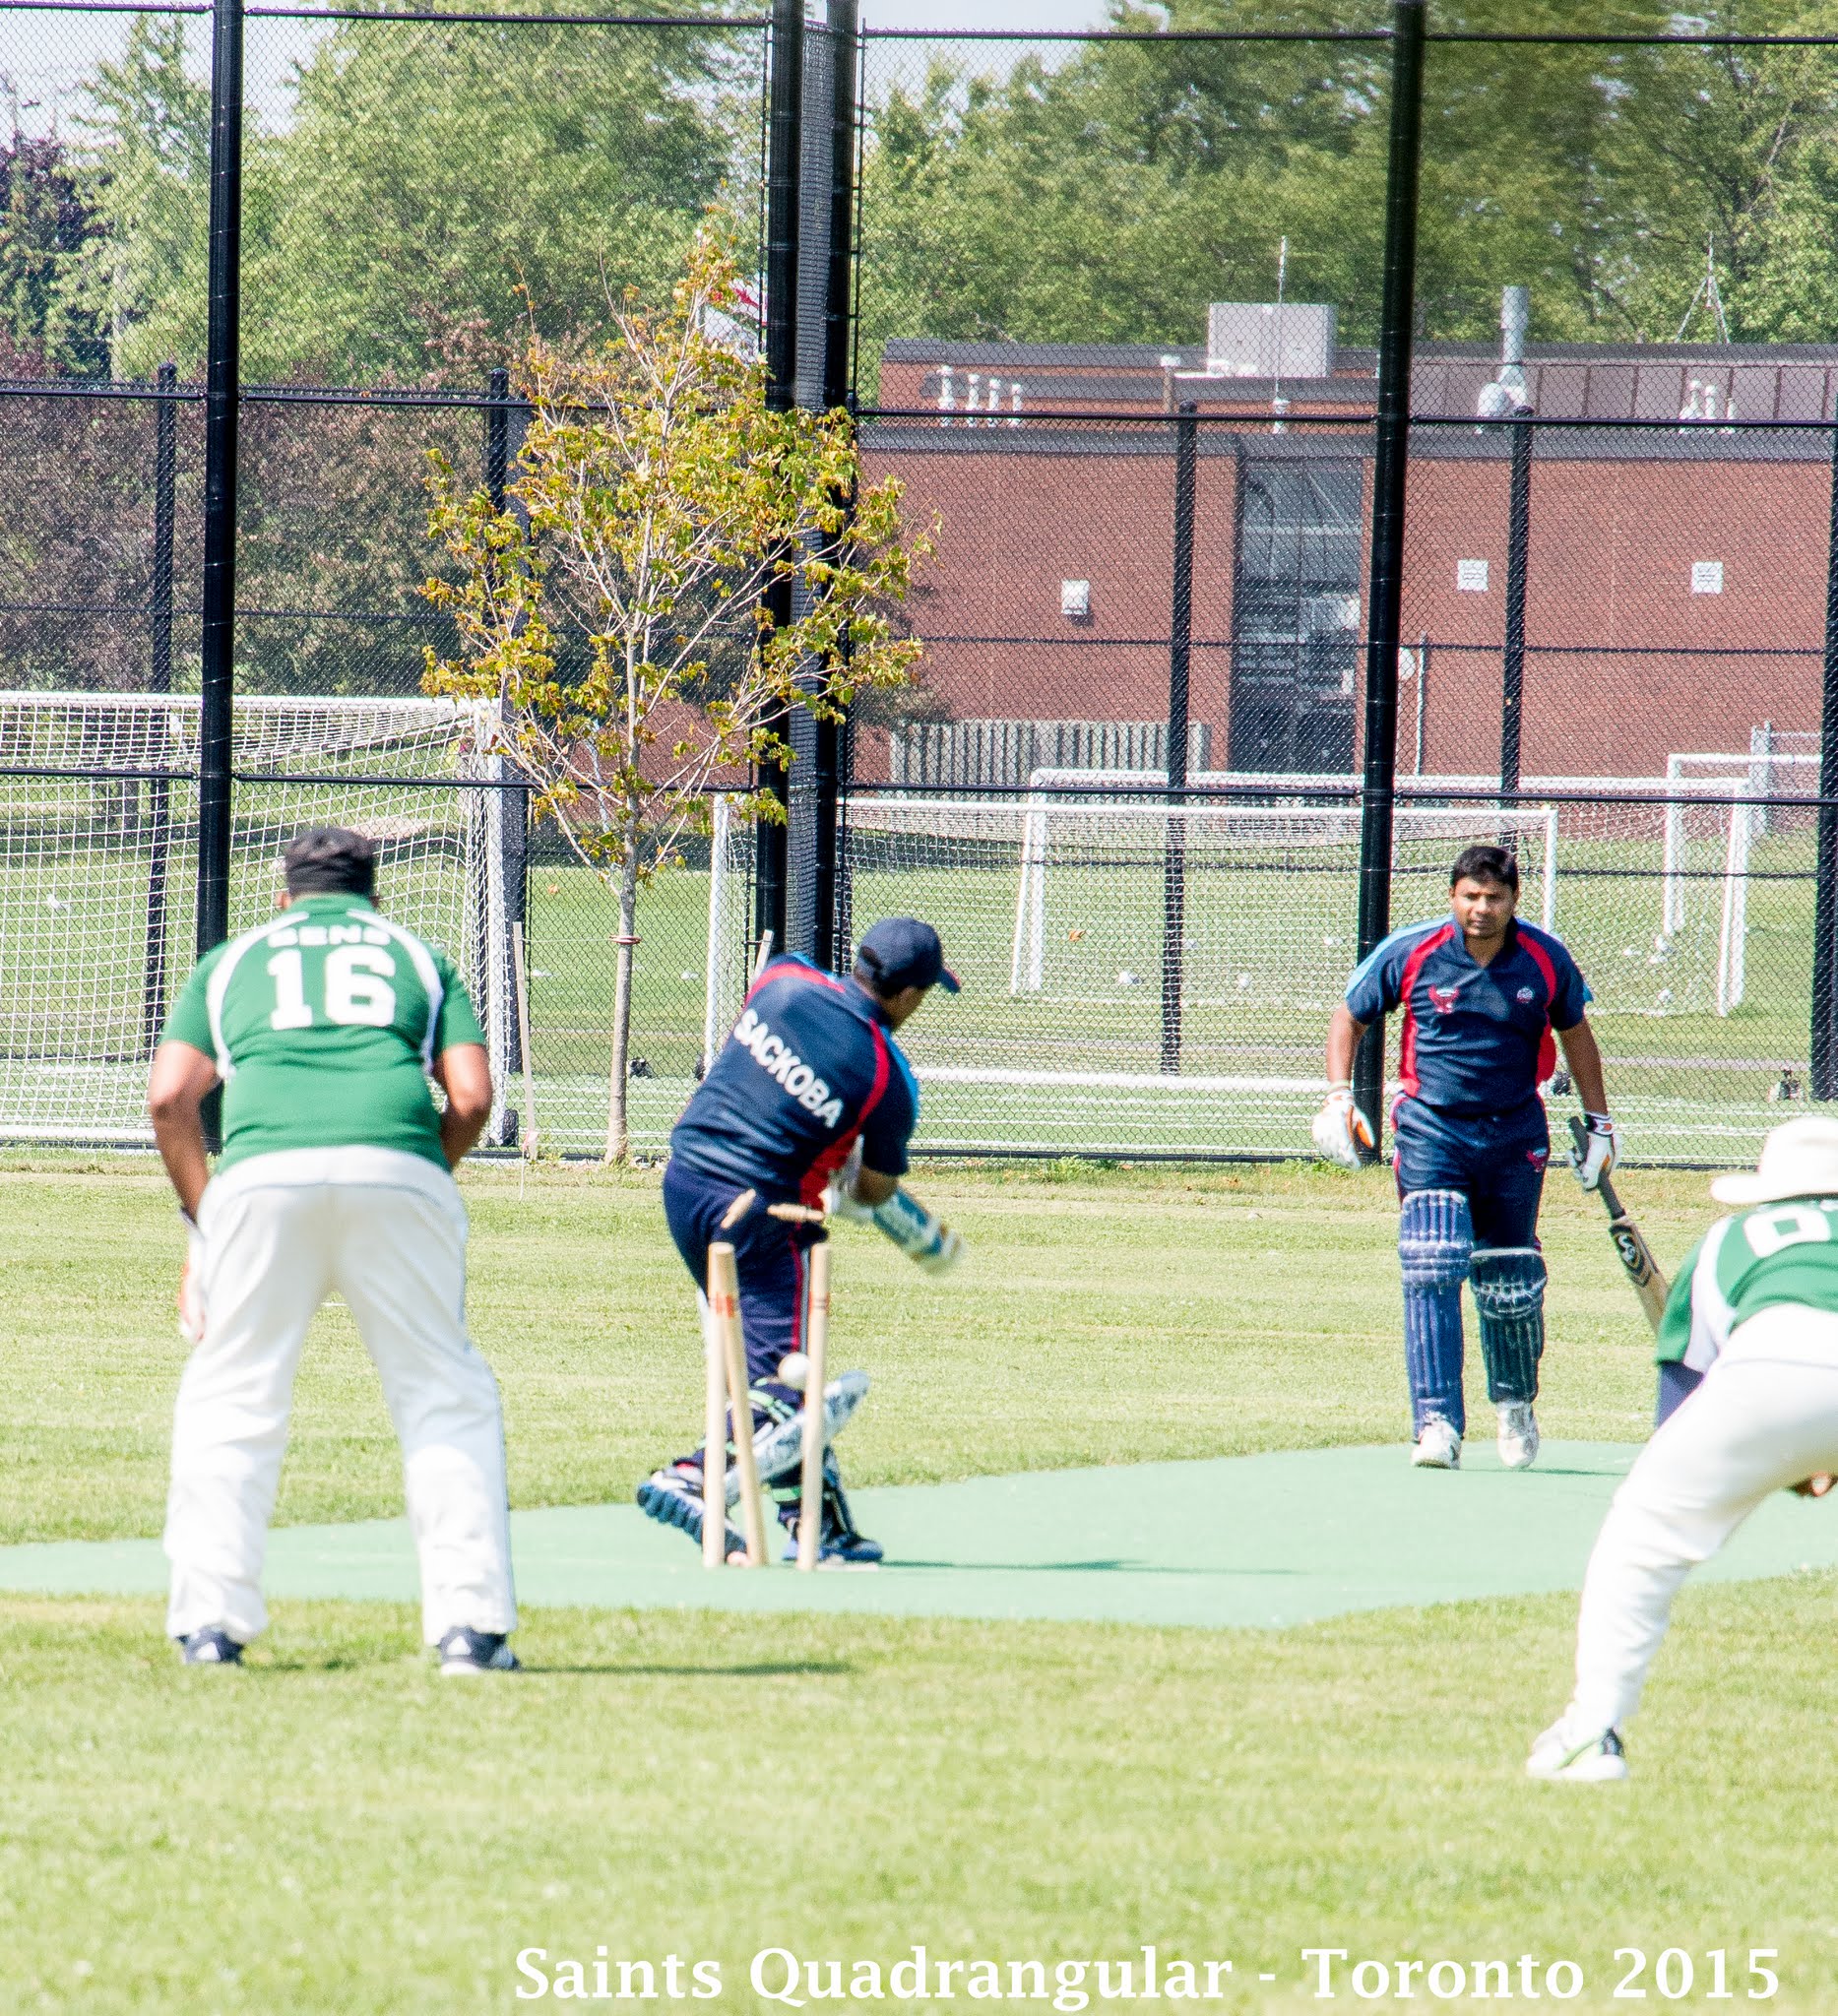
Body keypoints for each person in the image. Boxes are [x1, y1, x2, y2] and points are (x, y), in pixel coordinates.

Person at [147, 826, 518, 1674]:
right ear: (374, 900)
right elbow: (471, 1097)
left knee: (233, 1395)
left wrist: (206, 1220)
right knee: (442, 1393)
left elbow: (170, 1097)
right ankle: (470, 1631)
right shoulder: (418, 956)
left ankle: (210, 1628)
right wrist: (417, 1169)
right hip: (399, 1171)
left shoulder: (233, 961)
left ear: (284, 899)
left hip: (260, 1178)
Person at [637, 917, 964, 1565]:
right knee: (788, 1384)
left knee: (769, 1369)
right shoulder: (887, 1076)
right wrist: (846, 1167)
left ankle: (820, 1526)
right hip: (764, 1214)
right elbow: (873, 1191)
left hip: (686, 1183)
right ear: (908, 994)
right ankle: (692, 1476)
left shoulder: (783, 975)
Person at [1529, 1115, 1838, 1782]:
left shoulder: (1734, 1236)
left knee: (1644, 1533)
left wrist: (1780, 1451)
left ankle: (1593, 1733)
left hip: (1773, 1362)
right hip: (1784, 1370)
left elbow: (1680, 1404)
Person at [1314, 844, 1616, 1472]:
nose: (1481, 908)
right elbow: (1349, 1016)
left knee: (1510, 1281)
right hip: (1432, 1127)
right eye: (1470, 896)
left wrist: (1600, 1125)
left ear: (1514, 900)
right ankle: (1437, 1423)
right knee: (1431, 1260)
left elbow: (1576, 1033)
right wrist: (1339, 1095)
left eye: (1494, 897)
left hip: (1514, 1132)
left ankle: (1514, 1402)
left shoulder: (1545, 957)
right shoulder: (1412, 951)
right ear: (1452, 896)